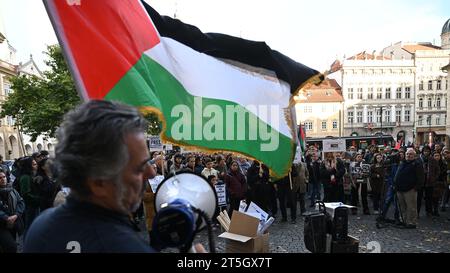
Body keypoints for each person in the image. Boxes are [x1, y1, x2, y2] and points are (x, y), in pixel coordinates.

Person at [24, 100, 159, 252]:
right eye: (139, 168)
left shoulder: (41, 226)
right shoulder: (125, 247)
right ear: (98, 182)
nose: (152, 173)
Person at [393, 148, 424, 229]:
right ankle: (404, 221)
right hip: (399, 189)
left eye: (410, 154)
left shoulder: (417, 164)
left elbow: (421, 177)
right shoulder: (402, 163)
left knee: (411, 207)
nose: (408, 155)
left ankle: (412, 223)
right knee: (402, 207)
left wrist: (416, 188)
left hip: (410, 189)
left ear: (414, 155)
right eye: (407, 154)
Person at [0, 171, 25, 253]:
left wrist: (16, 215)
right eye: (0, 178)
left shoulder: (12, 190)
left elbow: (21, 202)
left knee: (11, 244)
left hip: (14, 222)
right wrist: (6, 217)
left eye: (4, 177)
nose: (3, 179)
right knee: (11, 246)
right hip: (2, 224)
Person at [417, 145, 439, 217]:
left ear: (430, 152)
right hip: (420, 182)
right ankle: (417, 212)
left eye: (428, 151)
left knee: (429, 198)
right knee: (418, 198)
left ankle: (429, 212)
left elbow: (437, 170)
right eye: (425, 151)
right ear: (422, 151)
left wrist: (434, 178)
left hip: (429, 182)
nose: (426, 152)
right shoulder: (418, 159)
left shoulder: (432, 160)